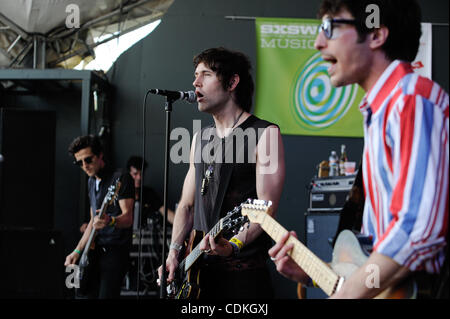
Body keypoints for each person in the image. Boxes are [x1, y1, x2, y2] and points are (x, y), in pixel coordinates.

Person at [269, 0, 448, 299]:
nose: (318, 42)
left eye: (330, 27)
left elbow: (418, 229)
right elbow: (375, 262)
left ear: (376, 34)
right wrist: (317, 273)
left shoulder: (410, 101)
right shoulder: (383, 111)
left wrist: (347, 294)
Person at [158, 47, 285, 299]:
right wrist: (173, 253)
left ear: (232, 82)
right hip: (199, 277)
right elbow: (186, 205)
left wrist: (233, 245)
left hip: (243, 279)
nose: (195, 83)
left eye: (205, 74)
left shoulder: (264, 134)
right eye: (195, 75)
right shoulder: (200, 138)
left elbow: (266, 209)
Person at [64, 135, 135, 299]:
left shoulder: (120, 177)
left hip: (115, 250)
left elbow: (128, 218)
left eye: (88, 160)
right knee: (78, 291)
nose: (84, 166)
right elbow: (92, 223)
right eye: (79, 163)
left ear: (100, 155)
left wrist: (110, 221)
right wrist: (77, 250)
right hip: (94, 249)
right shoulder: (91, 181)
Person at [126, 155, 175, 227]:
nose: (139, 178)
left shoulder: (149, 193)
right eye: (135, 174)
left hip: (145, 237)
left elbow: (166, 212)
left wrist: (182, 224)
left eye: (141, 174)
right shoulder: (122, 194)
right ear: (128, 173)